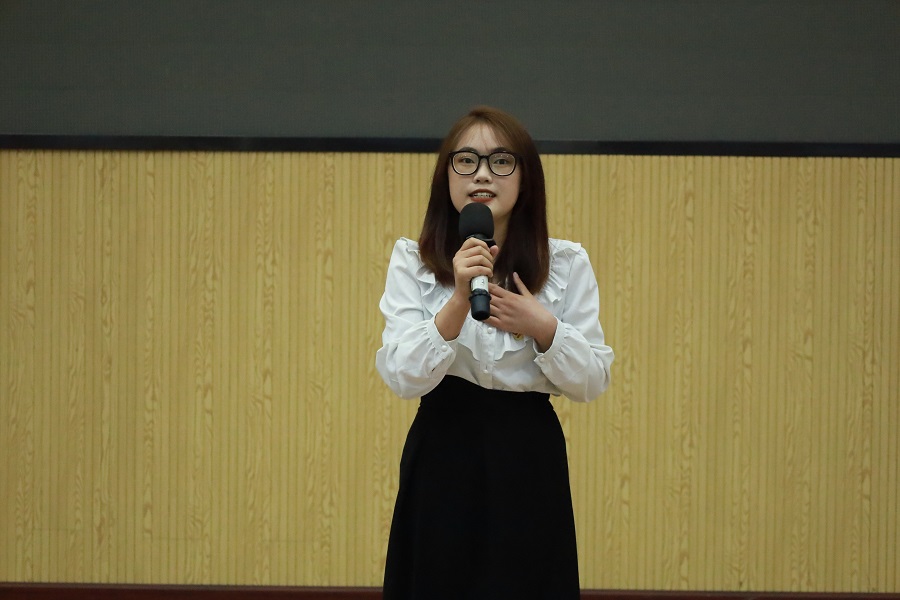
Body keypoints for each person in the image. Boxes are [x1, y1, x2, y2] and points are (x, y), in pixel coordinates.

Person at [375, 106, 614, 599]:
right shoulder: (414, 261)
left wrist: (543, 327)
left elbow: (592, 381)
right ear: (446, 176)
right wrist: (457, 302)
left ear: (525, 178)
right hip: (443, 449)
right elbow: (401, 376)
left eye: (501, 161)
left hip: (528, 456)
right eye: (466, 160)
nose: (482, 174)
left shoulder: (566, 263)